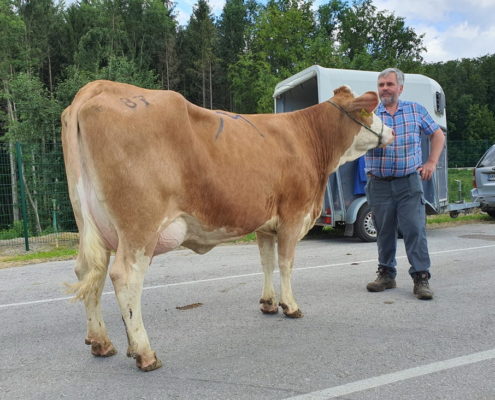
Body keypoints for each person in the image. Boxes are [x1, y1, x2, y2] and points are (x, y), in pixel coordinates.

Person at [365, 67, 445, 300]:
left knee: (414, 230)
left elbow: (438, 135)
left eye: (389, 84)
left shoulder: (415, 110)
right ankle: (386, 274)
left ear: (400, 87)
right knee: (384, 231)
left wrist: (431, 162)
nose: (385, 89)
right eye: (381, 85)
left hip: (408, 182)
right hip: (378, 183)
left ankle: (421, 277)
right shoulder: (370, 114)